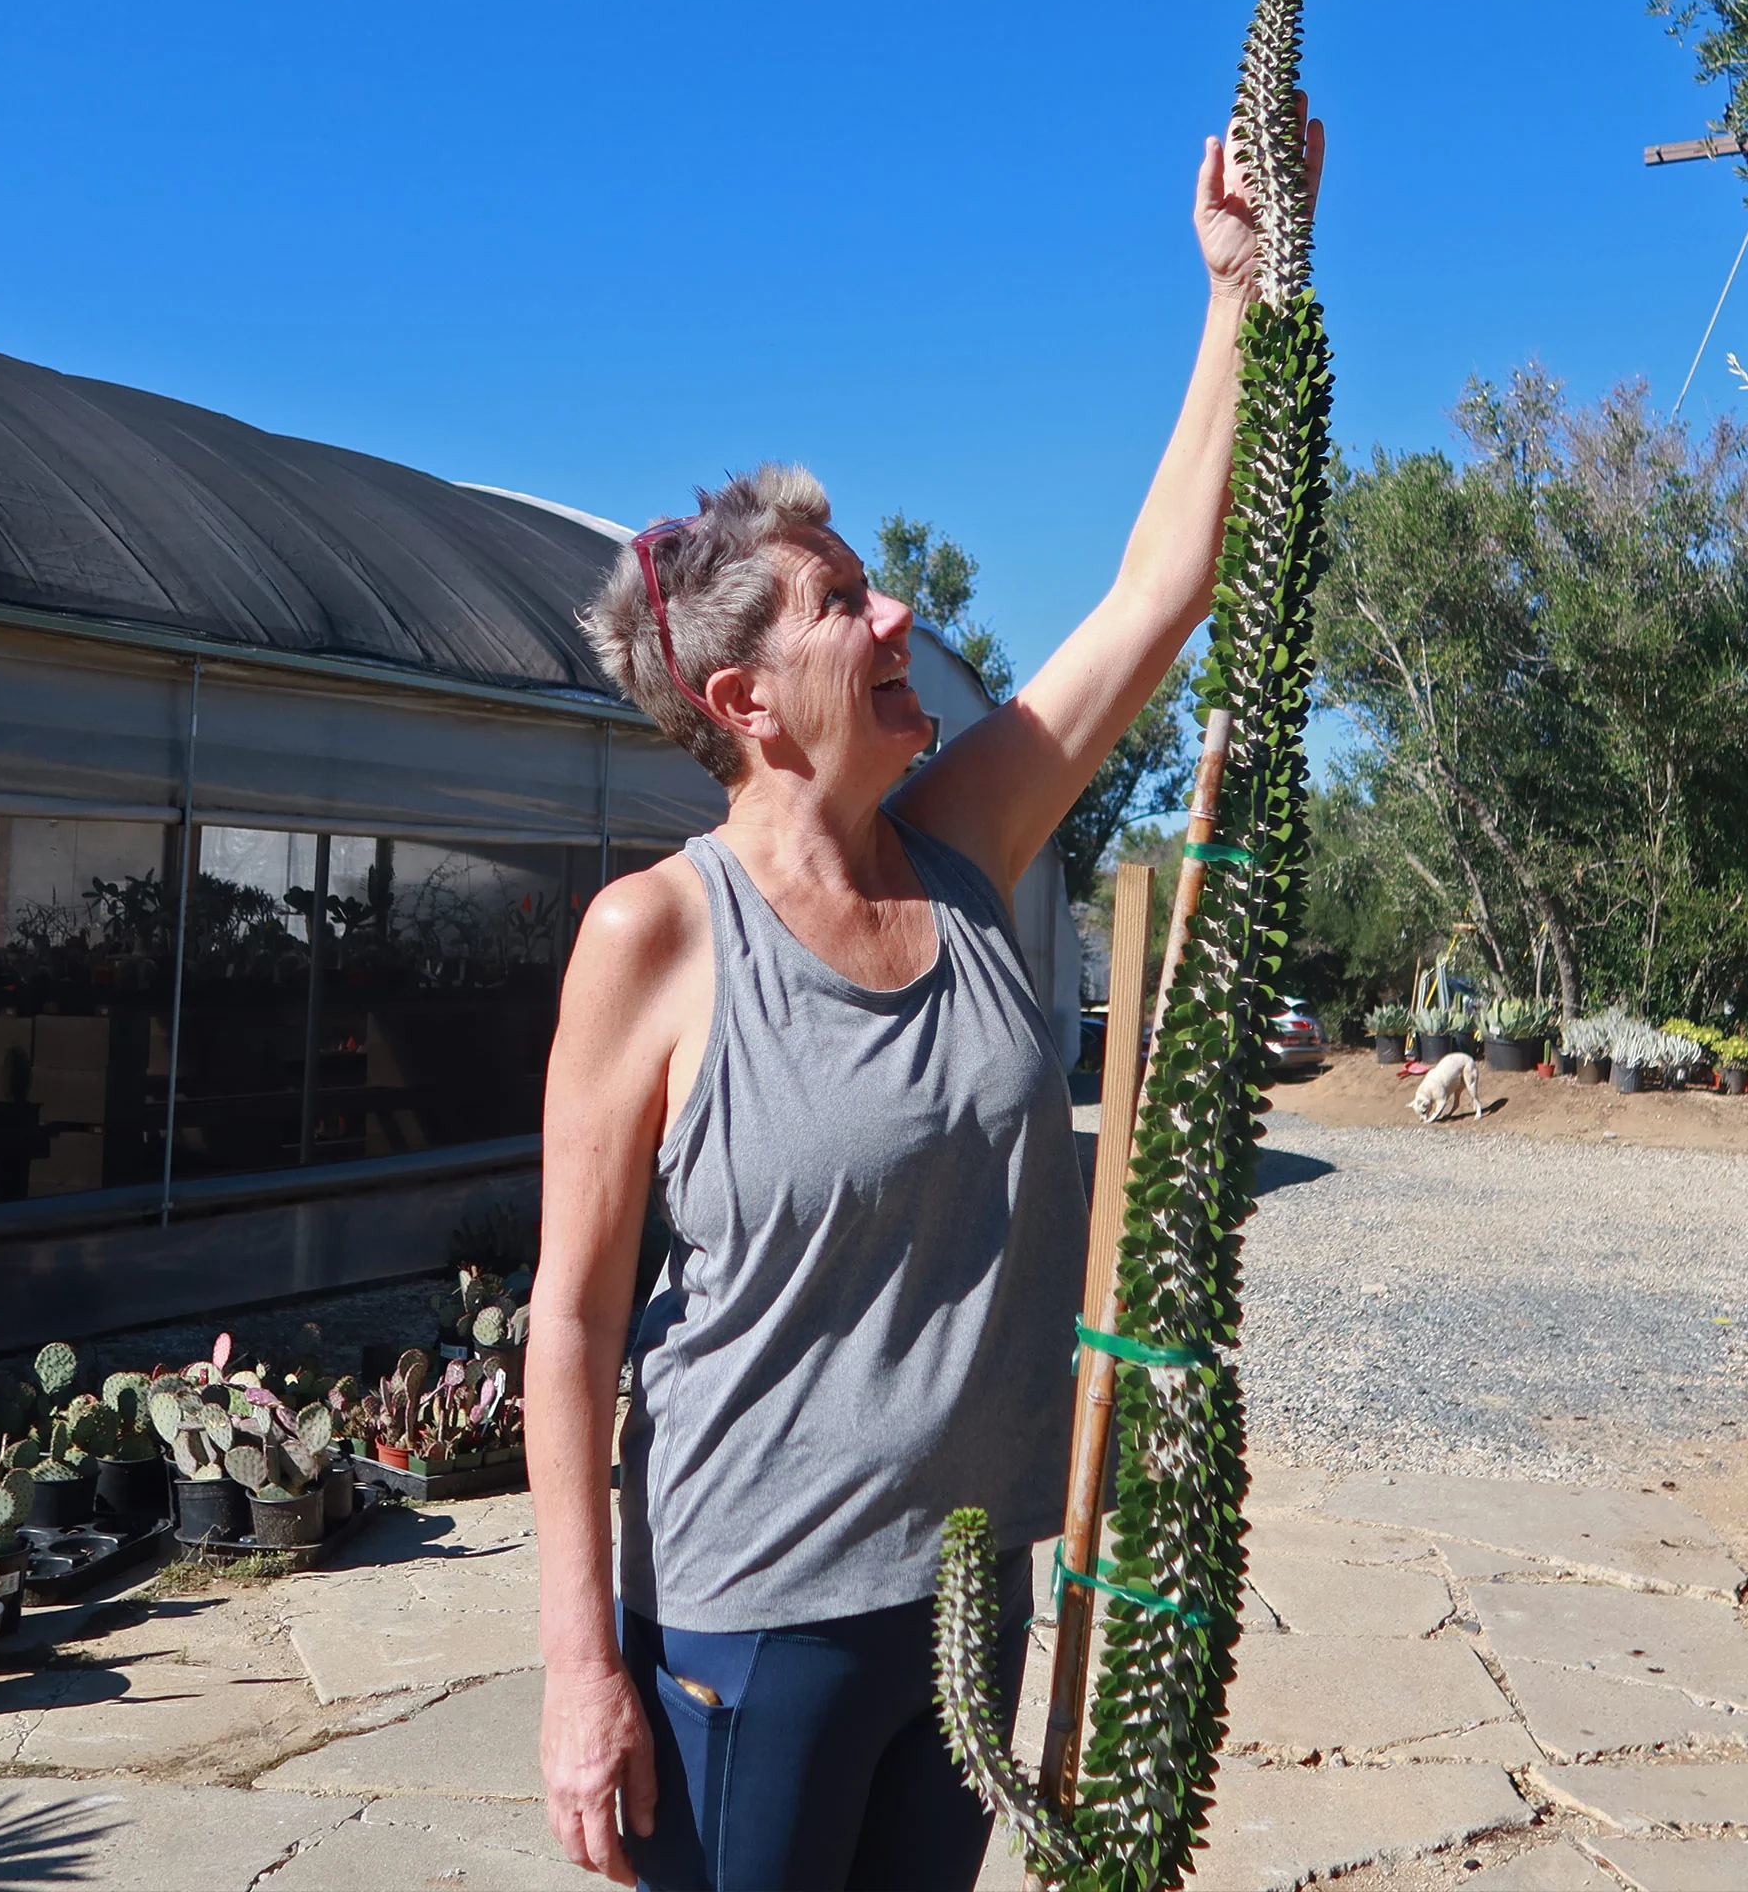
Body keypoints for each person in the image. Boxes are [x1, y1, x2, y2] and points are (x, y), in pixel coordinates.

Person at [531, 99, 1324, 1890]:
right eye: (841, 605)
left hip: (969, 1600)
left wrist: (1237, 288)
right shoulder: (657, 937)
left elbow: (1160, 592)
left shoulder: (961, 844)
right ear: (744, 703)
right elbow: (570, 1324)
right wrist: (583, 1673)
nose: (894, 620)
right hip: (751, 1628)